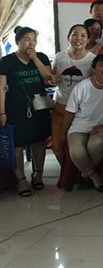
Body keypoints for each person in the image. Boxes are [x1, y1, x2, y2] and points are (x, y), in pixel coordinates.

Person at [0, 27, 53, 196]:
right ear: (18, 41)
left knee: (39, 141)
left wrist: (35, 58)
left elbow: (47, 76)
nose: (31, 43)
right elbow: (1, 87)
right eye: (27, 39)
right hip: (16, 107)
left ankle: (38, 174)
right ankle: (21, 180)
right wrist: (2, 112)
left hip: (39, 104)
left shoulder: (41, 57)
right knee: (18, 143)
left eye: (34, 39)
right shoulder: (6, 61)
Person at [63, 54, 103, 192]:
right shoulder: (82, 87)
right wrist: (63, 133)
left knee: (96, 146)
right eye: (101, 66)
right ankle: (92, 175)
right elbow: (70, 112)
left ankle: (84, 172)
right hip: (79, 127)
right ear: (93, 69)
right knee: (77, 152)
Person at [51, 24, 96, 165]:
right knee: (57, 144)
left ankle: (79, 172)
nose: (78, 38)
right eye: (74, 34)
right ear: (68, 38)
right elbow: (52, 77)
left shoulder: (92, 59)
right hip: (60, 105)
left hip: (81, 109)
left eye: (83, 35)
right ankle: (65, 172)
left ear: (88, 40)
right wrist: (53, 80)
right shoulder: (59, 57)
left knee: (78, 145)